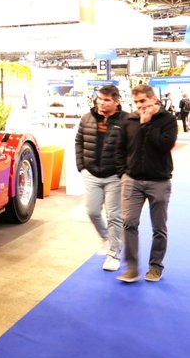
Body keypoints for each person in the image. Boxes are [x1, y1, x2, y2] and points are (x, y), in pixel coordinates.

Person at [116, 83, 178, 284]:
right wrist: (123, 173)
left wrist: (146, 124)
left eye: (143, 101)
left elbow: (165, 145)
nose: (139, 106)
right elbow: (120, 149)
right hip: (132, 181)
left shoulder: (167, 120)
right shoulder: (129, 120)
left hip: (159, 181)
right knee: (129, 223)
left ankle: (155, 266)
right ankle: (132, 268)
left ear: (153, 99)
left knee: (159, 227)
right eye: (136, 102)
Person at [74, 84, 128, 271]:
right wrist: (81, 166)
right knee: (92, 211)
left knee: (114, 215)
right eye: (100, 98)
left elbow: (132, 147)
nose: (101, 102)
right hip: (91, 174)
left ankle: (114, 254)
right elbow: (79, 141)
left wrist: (125, 172)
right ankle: (105, 238)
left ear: (116, 101)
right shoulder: (87, 118)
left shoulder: (127, 120)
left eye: (106, 100)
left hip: (115, 176)